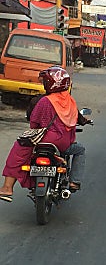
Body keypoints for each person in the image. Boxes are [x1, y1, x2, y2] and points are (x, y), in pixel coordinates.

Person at [0, 66, 90, 203]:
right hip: (64, 144)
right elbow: (78, 118)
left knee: (18, 153)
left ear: (50, 83)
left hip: (44, 141)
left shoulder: (44, 101)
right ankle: (74, 182)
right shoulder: (70, 101)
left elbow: (34, 123)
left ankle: (7, 188)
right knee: (80, 149)